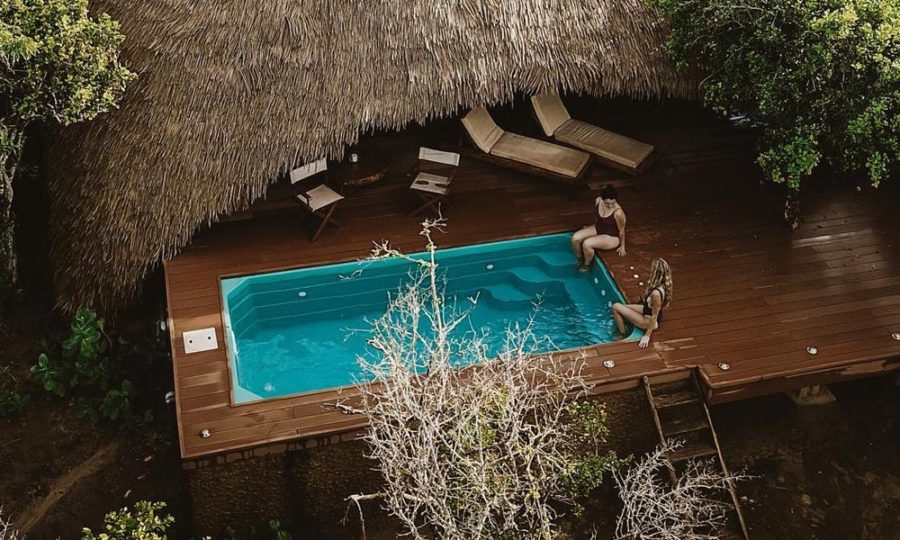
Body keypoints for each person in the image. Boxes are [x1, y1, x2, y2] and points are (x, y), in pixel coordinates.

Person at [612, 258, 673, 348]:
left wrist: (647, 336)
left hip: (649, 319)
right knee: (622, 307)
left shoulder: (656, 293)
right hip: (647, 310)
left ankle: (622, 335)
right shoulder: (663, 284)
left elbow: (655, 315)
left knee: (615, 307)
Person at [571, 184, 626, 271]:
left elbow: (622, 230)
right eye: (607, 204)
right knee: (575, 238)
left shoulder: (618, 213)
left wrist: (622, 246)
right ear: (602, 199)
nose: (610, 206)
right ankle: (579, 258)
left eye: (613, 203)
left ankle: (586, 265)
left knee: (587, 244)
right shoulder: (598, 201)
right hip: (599, 227)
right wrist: (588, 229)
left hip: (611, 236)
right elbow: (597, 218)